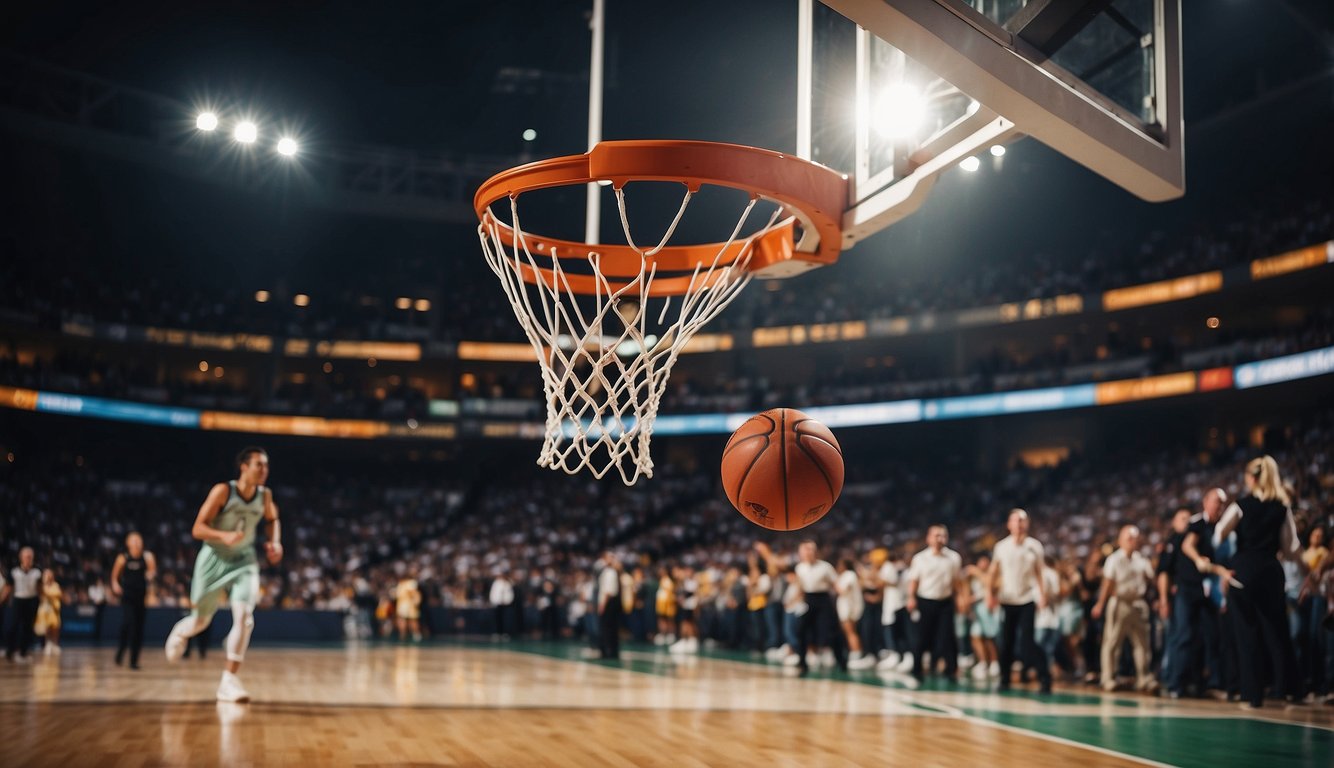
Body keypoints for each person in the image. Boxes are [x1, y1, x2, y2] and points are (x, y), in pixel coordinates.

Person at [164, 447, 283, 703]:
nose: (264, 470)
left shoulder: (265, 495)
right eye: (259, 465)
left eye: (266, 465)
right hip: (214, 558)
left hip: (244, 560)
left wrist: (275, 542)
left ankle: (228, 681)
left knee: (245, 618)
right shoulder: (223, 491)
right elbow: (197, 528)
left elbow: (273, 518)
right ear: (244, 466)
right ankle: (181, 631)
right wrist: (223, 536)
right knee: (201, 622)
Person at [1208, 456, 1303, 709]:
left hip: (1244, 574)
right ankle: (1287, 690)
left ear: (1252, 478)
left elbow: (1219, 534)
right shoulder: (1282, 507)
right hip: (1271, 572)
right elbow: (1292, 547)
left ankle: (1253, 695)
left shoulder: (1241, 505)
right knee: (1277, 632)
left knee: (1247, 634)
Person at [987, 509, 1052, 693]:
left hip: (1027, 599)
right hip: (1007, 599)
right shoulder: (1001, 546)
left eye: (1022, 520)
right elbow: (994, 571)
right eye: (1016, 520)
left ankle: (1044, 678)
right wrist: (989, 594)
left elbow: (1040, 572)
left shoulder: (1035, 546)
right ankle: (1004, 679)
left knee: (1028, 641)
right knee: (1006, 641)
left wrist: (1043, 595)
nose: (1019, 524)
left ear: (1027, 524)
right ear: (1009, 524)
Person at [1172, 489, 1228, 698]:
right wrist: (1198, 560)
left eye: (1222, 504)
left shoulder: (1223, 529)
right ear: (1206, 503)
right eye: (1216, 502)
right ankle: (1176, 684)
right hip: (1188, 587)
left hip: (1209, 590)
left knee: (1211, 637)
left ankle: (1212, 683)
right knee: (1185, 635)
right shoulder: (1197, 524)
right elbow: (1188, 546)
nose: (1218, 507)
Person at [1093, 525, 1157, 693]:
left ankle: (1143, 677)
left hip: (1138, 602)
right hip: (1119, 601)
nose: (1131, 541)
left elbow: (1151, 579)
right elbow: (1107, 583)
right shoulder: (1114, 559)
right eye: (1128, 538)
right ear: (1120, 540)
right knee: (1112, 642)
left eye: (1134, 538)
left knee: (1142, 644)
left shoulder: (1142, 559)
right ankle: (1108, 678)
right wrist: (1100, 603)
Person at [907, 525, 963, 682]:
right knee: (922, 637)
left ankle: (951, 670)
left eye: (943, 535)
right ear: (929, 538)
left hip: (945, 601)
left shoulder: (954, 557)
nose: (940, 538)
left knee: (947, 636)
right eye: (937, 535)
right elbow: (913, 580)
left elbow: (956, 582)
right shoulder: (920, 558)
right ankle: (917, 669)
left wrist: (959, 599)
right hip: (925, 601)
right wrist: (911, 598)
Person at [793, 540, 848, 675]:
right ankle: (802, 663)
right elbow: (800, 586)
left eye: (810, 549)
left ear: (815, 552)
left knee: (831, 631)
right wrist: (794, 601)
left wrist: (843, 595)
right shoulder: (800, 567)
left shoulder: (825, 567)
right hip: (808, 599)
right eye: (805, 550)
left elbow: (836, 585)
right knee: (800, 630)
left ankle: (841, 661)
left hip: (823, 599)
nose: (808, 552)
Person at [112, 531, 156, 669]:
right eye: (133, 540)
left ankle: (134, 661)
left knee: (138, 629)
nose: (137, 542)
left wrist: (150, 576)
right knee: (128, 624)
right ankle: (120, 653)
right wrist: (115, 585)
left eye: (139, 539)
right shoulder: (123, 558)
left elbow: (152, 571)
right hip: (127, 597)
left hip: (141, 598)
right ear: (127, 543)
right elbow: (114, 576)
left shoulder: (147, 556)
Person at [965, 554, 1001, 680]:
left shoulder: (992, 574)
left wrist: (977, 573)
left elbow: (992, 586)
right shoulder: (973, 577)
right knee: (975, 636)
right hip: (977, 609)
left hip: (988, 608)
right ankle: (983, 662)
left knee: (989, 637)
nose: (983, 564)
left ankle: (994, 662)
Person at [836, 557, 875, 668]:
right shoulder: (849, 575)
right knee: (850, 632)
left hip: (848, 608)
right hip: (848, 607)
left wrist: (834, 583)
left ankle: (857, 653)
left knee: (850, 632)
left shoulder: (849, 575)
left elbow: (843, 590)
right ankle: (855, 652)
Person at [5, 547, 41, 663]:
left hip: (32, 601)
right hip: (18, 600)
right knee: (12, 626)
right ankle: (10, 651)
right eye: (26, 557)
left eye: (30, 557)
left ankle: (23, 652)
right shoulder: (14, 571)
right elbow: (8, 588)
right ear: (21, 557)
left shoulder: (37, 572)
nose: (28, 559)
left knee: (28, 628)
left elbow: (40, 589)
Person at [596, 552, 622, 660]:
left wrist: (602, 605)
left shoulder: (610, 572)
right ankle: (610, 650)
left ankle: (608, 651)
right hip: (610, 602)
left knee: (607, 628)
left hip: (609, 603)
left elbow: (607, 591)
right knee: (610, 628)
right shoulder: (609, 572)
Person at [34, 570, 63, 656]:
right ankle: (47, 644)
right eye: (47, 574)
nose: (48, 576)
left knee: (55, 627)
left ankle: (55, 644)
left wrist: (49, 594)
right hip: (45, 609)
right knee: (46, 628)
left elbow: (59, 594)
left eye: (50, 574)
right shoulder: (42, 586)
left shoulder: (55, 585)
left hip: (54, 609)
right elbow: (42, 595)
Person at [396, 572, 422, 642]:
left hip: (408, 604)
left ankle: (416, 634)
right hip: (402, 604)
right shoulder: (401, 584)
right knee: (402, 620)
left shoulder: (410, 583)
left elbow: (415, 593)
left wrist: (416, 602)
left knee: (412, 620)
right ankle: (403, 635)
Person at [489, 571, 514, 639]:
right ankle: (497, 633)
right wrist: (494, 601)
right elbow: (493, 593)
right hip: (497, 604)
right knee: (497, 620)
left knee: (506, 620)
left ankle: (505, 633)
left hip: (506, 605)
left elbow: (510, 595)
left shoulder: (508, 583)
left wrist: (507, 601)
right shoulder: (496, 583)